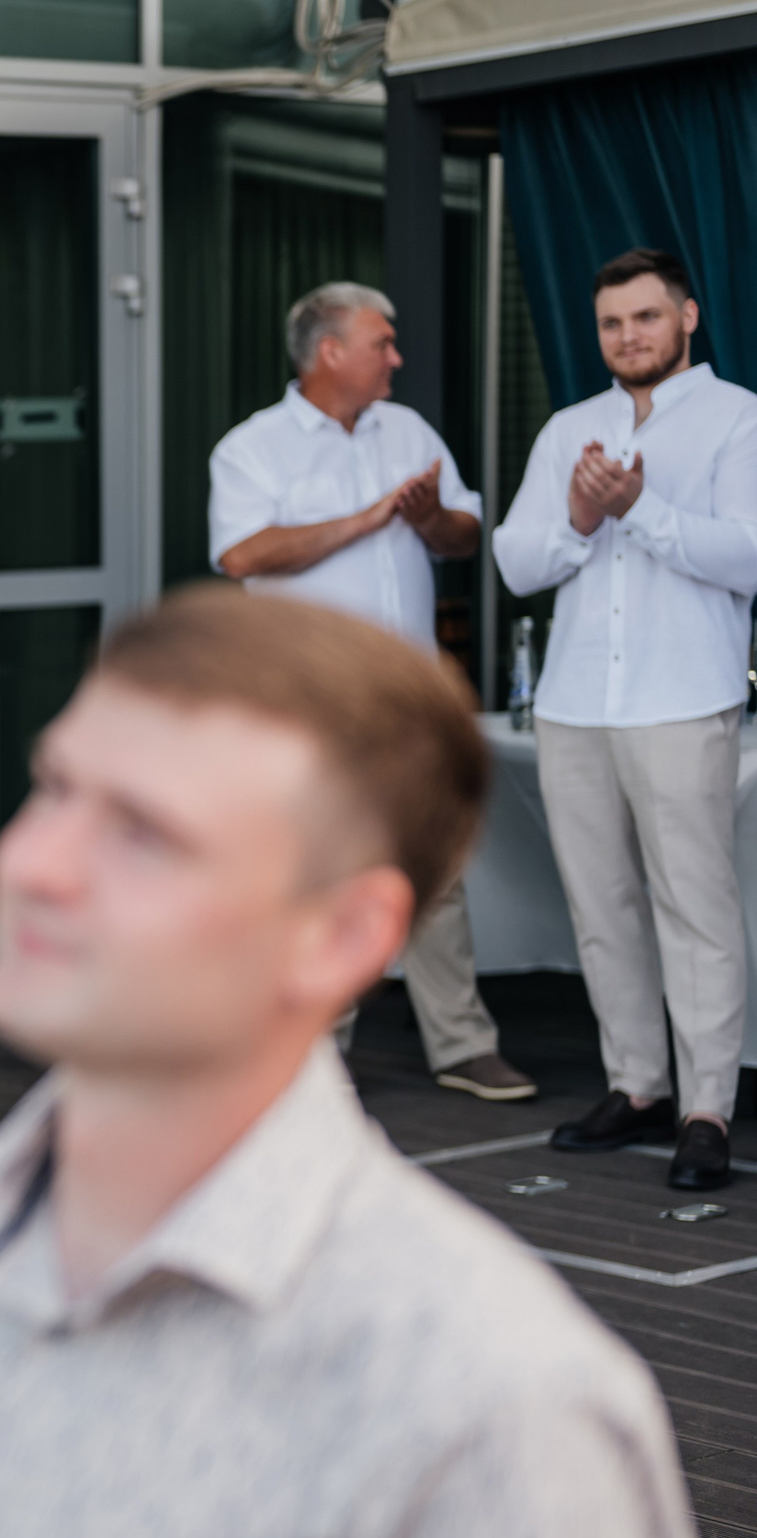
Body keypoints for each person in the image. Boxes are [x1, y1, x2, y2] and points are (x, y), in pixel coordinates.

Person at [0, 589, 693, 1538]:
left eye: (146, 834)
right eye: (56, 787)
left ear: (345, 936)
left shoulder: (494, 1407)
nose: (36, 864)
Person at [209, 280, 532, 1104]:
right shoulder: (254, 447)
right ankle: (310, 1055)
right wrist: (368, 516)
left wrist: (423, 518)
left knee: (437, 865)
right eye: (381, 343)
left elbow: (463, 535)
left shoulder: (410, 431)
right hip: (312, 703)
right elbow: (243, 555)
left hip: (410, 694)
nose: (396, 357)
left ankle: (461, 1044)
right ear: (329, 352)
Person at [496, 247, 757, 1191]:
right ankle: (637, 1084)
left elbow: (749, 556)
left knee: (696, 908)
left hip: (682, 697)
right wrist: (575, 516)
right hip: (574, 704)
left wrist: (639, 510)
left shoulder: (739, 420)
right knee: (600, 903)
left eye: (645, 317)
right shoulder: (571, 427)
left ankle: (706, 1108)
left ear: (688, 316)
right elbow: (520, 563)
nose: (627, 337)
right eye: (611, 322)